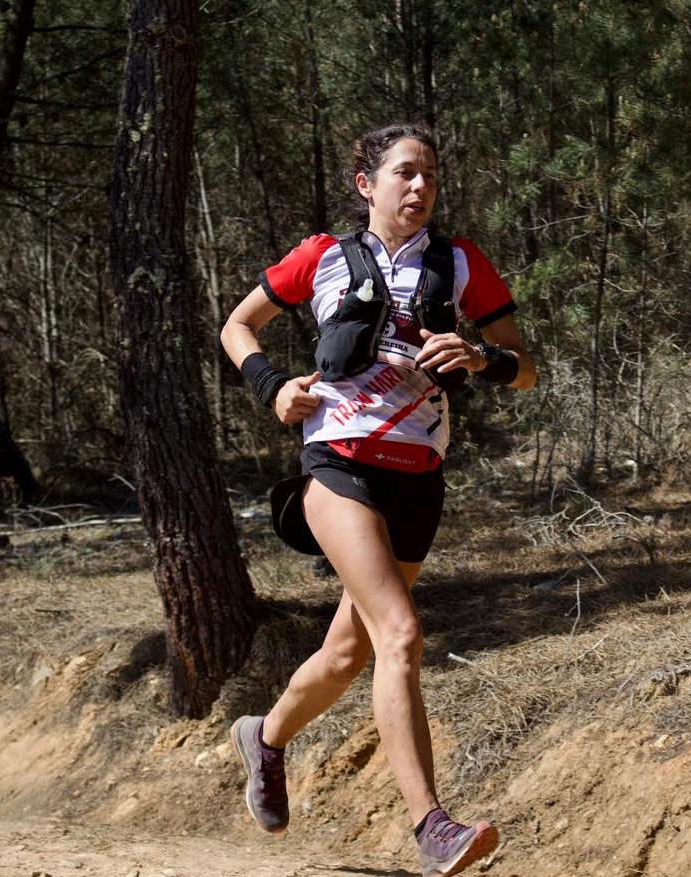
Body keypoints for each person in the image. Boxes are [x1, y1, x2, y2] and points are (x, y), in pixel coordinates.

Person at [219, 122, 537, 877]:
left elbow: (525, 368)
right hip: (338, 466)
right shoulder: (322, 257)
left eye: (430, 174)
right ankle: (432, 825)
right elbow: (237, 324)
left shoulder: (460, 263)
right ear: (368, 184)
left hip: (418, 477)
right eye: (405, 173)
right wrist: (272, 384)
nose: (421, 186)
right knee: (399, 634)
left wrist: (482, 355)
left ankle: (263, 735)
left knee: (346, 651)